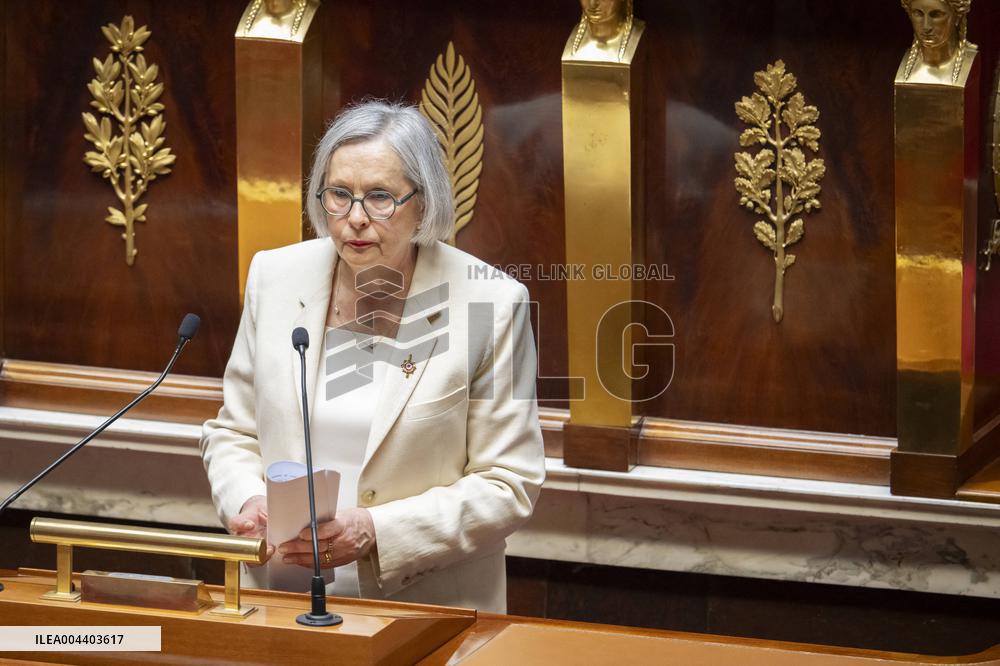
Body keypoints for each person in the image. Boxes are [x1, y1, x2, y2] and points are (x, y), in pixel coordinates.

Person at [200, 101, 545, 612]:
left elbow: (508, 483)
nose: (355, 218)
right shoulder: (275, 278)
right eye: (340, 195)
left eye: (380, 197)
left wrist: (376, 530)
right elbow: (234, 433)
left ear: (424, 205)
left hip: (424, 609)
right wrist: (248, 501)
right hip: (279, 597)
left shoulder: (491, 304)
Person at [898, 0, 975, 86]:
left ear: (957, 17)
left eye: (936, 15)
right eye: (918, 13)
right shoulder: (896, 62)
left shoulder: (969, 63)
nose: (926, 27)